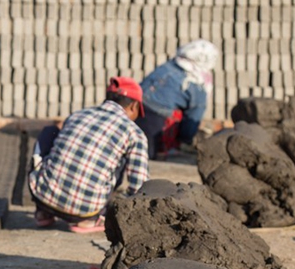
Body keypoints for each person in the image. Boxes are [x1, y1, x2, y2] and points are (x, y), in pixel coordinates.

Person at [28, 76, 150, 233]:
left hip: (42, 195)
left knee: (48, 133)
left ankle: (43, 212)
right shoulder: (134, 134)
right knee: (117, 161)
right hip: (85, 209)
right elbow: (139, 186)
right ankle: (88, 221)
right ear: (133, 106)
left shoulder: (77, 115)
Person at [136, 39, 219, 159]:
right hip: (153, 117)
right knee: (144, 154)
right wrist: (185, 139)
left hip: (132, 105)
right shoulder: (197, 85)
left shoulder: (171, 64)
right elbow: (192, 118)